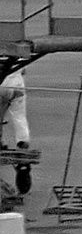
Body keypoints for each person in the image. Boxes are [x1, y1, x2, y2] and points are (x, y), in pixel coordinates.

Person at [0, 67, 31, 197]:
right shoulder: (18, 48)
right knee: (19, 117)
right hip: (16, 83)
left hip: (2, 84)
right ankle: (23, 144)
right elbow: (24, 70)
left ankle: (1, 140)